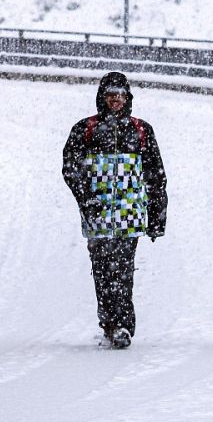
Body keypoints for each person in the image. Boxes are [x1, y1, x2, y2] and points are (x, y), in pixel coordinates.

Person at [61, 71, 168, 349]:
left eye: (119, 96)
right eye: (110, 96)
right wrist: (87, 201)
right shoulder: (85, 129)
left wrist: (157, 213)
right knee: (102, 271)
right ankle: (108, 322)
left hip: (129, 215)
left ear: (127, 98)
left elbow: (156, 175)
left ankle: (123, 325)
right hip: (97, 215)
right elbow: (70, 170)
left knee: (123, 270)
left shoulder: (142, 130)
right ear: (102, 98)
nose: (115, 101)